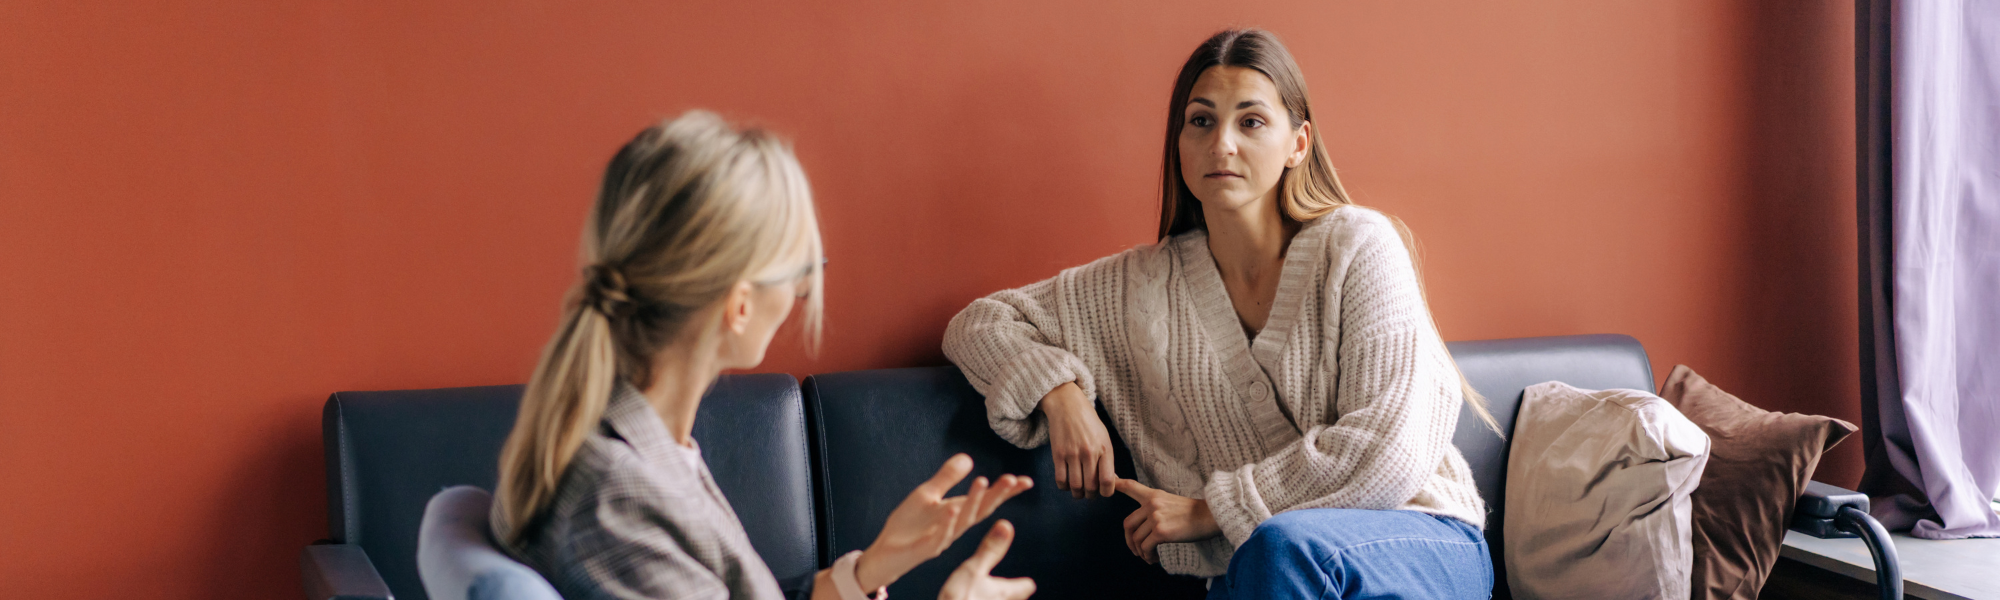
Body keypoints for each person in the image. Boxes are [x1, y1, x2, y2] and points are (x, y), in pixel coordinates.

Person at [942, 29, 1496, 599]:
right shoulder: (1138, 286)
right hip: (1266, 575)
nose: (1222, 144)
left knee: (1280, 550)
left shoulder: (1358, 247)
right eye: (1200, 121)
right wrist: (1059, 393)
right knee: (1266, 562)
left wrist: (1212, 511)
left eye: (1250, 121)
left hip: (1419, 543)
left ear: (1298, 145)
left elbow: (1390, 449)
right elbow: (980, 324)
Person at [493, 111, 1037, 600]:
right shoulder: (618, 503)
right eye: (799, 273)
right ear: (740, 306)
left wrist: (862, 573)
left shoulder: (636, 448)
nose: (803, 295)